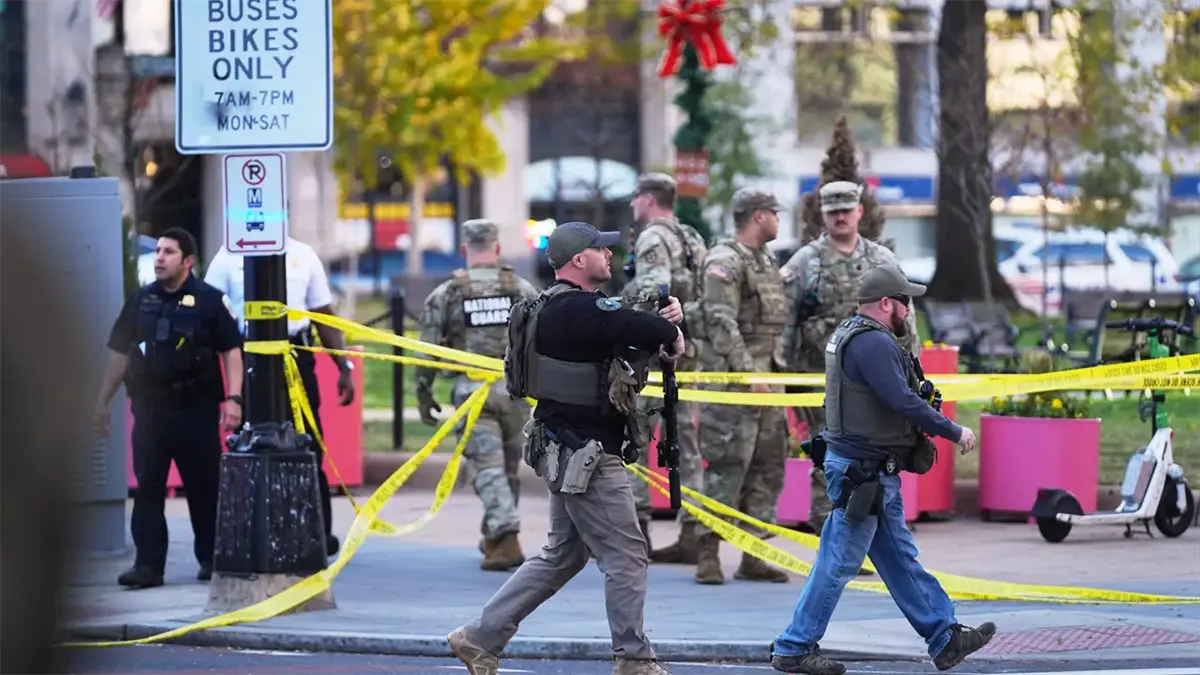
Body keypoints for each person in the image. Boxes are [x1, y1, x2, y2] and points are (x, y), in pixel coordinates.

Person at [446, 221, 686, 675]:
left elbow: (635, 337)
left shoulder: (553, 309)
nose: (610, 256)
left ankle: (480, 638)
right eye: (602, 249)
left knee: (564, 554)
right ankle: (634, 660)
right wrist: (672, 328)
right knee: (626, 555)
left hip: (564, 449)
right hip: (590, 457)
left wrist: (664, 334)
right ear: (580, 259)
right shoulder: (582, 311)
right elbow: (645, 327)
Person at [769, 264, 993, 675]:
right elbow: (903, 402)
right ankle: (794, 646)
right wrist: (953, 430)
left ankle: (944, 635)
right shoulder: (873, 344)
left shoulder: (849, 334)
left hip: (865, 470)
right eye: (905, 302)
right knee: (837, 563)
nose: (909, 310)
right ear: (886, 303)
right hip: (863, 472)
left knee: (899, 559)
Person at [92, 227, 245, 588]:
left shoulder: (210, 301)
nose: (159, 258)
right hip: (150, 411)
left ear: (188, 261)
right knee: (148, 490)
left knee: (204, 487)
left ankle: (211, 558)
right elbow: (118, 353)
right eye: (158, 251)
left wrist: (234, 398)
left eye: (169, 252)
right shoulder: (140, 301)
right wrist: (102, 400)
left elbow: (231, 351)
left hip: (196, 409)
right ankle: (148, 566)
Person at [779, 180, 918, 574]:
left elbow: (906, 318)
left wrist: (911, 368)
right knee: (828, 461)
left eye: (847, 208)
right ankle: (834, 549)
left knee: (870, 460)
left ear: (860, 211)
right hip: (817, 379)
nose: (840, 216)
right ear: (821, 214)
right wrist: (782, 375)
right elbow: (786, 324)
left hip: (873, 384)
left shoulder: (881, 259)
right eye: (832, 209)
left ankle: (865, 545)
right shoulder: (805, 262)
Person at [204, 234, 356, 558]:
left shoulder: (303, 253)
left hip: (296, 355)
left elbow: (323, 315)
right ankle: (253, 531)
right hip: (250, 358)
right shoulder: (228, 256)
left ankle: (317, 532)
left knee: (308, 442)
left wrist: (344, 366)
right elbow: (208, 314)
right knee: (251, 446)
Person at [414, 219, 541, 571]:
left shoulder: (449, 293)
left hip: (474, 394)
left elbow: (426, 350)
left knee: (486, 467)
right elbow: (541, 340)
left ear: (465, 249)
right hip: (516, 392)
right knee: (508, 469)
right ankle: (496, 540)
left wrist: (423, 394)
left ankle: (507, 533)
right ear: (498, 248)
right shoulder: (522, 288)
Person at [688, 187, 791, 585]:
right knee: (728, 468)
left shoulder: (764, 260)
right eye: (775, 214)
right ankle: (707, 551)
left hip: (769, 380)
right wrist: (750, 375)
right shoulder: (725, 260)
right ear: (759, 216)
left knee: (768, 467)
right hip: (735, 385)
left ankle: (754, 553)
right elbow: (720, 322)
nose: (778, 221)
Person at [620, 172, 708, 563]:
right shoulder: (692, 237)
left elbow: (651, 295)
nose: (631, 205)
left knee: (634, 439)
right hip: (689, 351)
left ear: (649, 199)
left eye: (635, 197)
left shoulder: (652, 238)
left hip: (655, 357)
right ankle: (693, 531)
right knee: (687, 445)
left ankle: (637, 533)